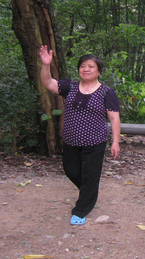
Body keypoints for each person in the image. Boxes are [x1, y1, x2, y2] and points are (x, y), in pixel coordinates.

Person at [39, 45, 120, 226]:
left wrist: (115, 142)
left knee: (90, 176)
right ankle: (90, 188)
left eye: (91, 66)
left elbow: (114, 118)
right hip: (71, 140)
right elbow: (47, 82)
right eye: (83, 66)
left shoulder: (106, 92)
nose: (86, 69)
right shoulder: (70, 87)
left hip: (95, 142)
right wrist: (46, 65)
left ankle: (80, 210)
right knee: (71, 171)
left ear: (99, 71)